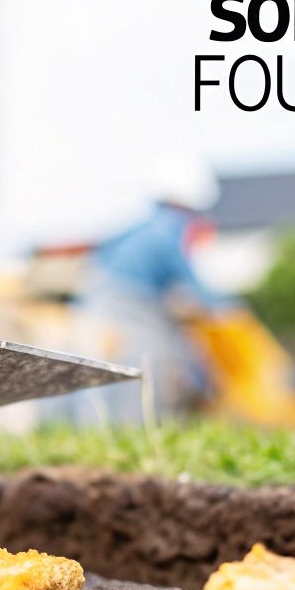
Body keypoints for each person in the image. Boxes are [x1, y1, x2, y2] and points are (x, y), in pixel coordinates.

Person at [70, 152, 232, 421]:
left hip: (96, 299)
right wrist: (225, 306)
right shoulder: (170, 228)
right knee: (148, 364)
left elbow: (100, 252)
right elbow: (188, 278)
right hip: (131, 307)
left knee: (100, 369)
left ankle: (98, 431)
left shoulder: (142, 226)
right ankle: (137, 429)